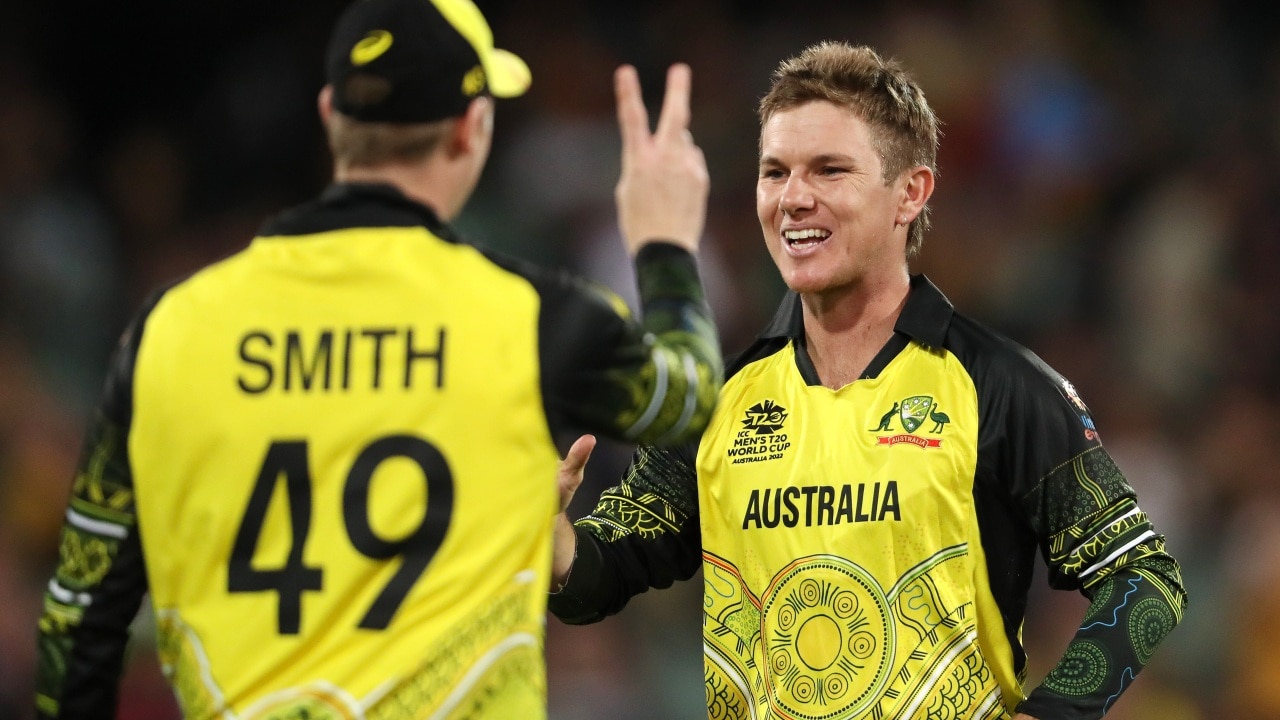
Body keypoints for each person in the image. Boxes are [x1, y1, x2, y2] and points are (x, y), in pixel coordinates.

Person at [34, 0, 724, 717]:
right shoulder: (533, 316)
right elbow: (690, 395)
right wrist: (664, 240)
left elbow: (79, 619)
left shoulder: (169, 330)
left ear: (332, 114)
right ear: (472, 127)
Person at [549, 41, 1187, 720]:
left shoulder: (996, 386)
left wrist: (1056, 710)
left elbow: (1145, 578)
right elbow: (597, 577)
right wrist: (551, 528)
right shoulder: (719, 404)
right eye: (775, 173)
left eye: (829, 171)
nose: (793, 198)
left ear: (909, 192)